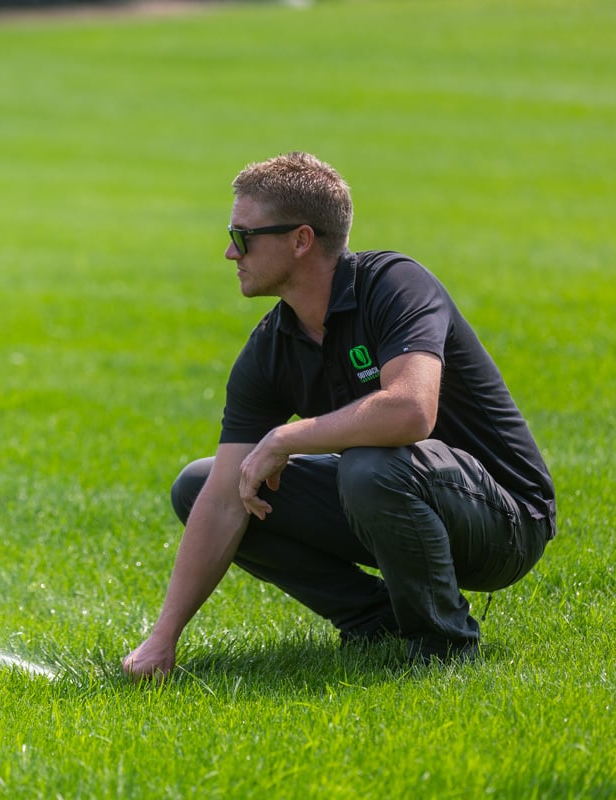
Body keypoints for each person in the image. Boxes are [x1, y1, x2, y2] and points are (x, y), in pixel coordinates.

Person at [122, 152, 556, 679]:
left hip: (505, 522)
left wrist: (286, 438)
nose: (229, 252)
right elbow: (217, 502)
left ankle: (441, 645)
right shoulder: (273, 346)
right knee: (202, 485)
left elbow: (411, 412)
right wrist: (162, 641)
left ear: (300, 240)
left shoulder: (395, 284)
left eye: (244, 235)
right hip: (396, 499)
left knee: (372, 465)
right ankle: (378, 623)